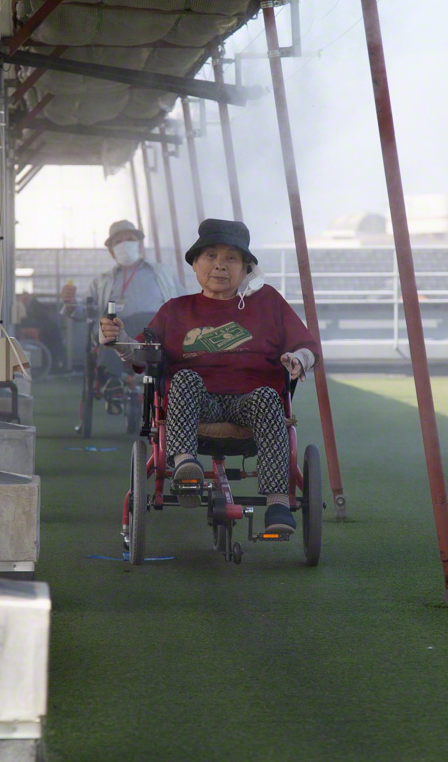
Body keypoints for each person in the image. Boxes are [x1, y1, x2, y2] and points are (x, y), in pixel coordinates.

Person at [100, 219, 318, 535]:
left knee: (268, 397)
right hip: (198, 406)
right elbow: (143, 353)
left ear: (246, 268)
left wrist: (299, 358)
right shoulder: (175, 309)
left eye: (231, 258)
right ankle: (186, 466)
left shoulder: (268, 302)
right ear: (195, 264)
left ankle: (278, 504)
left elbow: (307, 346)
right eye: (211, 256)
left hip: (251, 405)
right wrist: (120, 341)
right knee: (185, 378)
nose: (220, 265)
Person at [61, 219, 183, 329]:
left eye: (130, 239)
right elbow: (82, 313)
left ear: (140, 245)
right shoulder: (101, 282)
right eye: (118, 242)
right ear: (111, 251)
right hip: (118, 341)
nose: (125, 245)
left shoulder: (163, 273)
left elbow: (185, 305)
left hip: (158, 339)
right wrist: (71, 302)